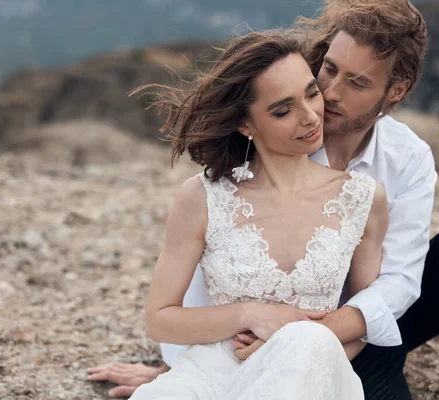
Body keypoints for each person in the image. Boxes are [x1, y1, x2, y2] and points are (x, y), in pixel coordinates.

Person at [87, 1, 439, 398]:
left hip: (349, 337)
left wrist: (309, 336)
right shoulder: (258, 148)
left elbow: (401, 280)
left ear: (396, 91)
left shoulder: (404, 163)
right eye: (330, 70)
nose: (328, 94)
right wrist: (179, 367)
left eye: (356, 83)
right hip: (236, 344)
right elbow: (203, 269)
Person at [123, 28, 388, 399]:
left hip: (309, 370)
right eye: (283, 110)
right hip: (212, 371)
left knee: (303, 342)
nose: (311, 116)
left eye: (312, 93)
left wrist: (296, 349)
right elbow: (160, 320)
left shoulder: (363, 198)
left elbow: (362, 319)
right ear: (246, 124)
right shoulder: (202, 196)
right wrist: (250, 314)